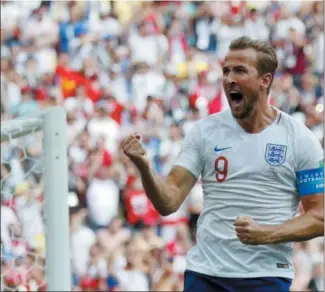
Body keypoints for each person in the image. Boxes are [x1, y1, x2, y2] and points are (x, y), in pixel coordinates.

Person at [121, 36, 324, 292]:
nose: (229, 79)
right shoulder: (204, 132)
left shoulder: (301, 139)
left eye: (240, 70)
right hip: (206, 274)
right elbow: (168, 202)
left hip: (265, 276)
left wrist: (266, 234)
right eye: (226, 71)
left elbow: (319, 218)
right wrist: (144, 167)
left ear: (265, 81)